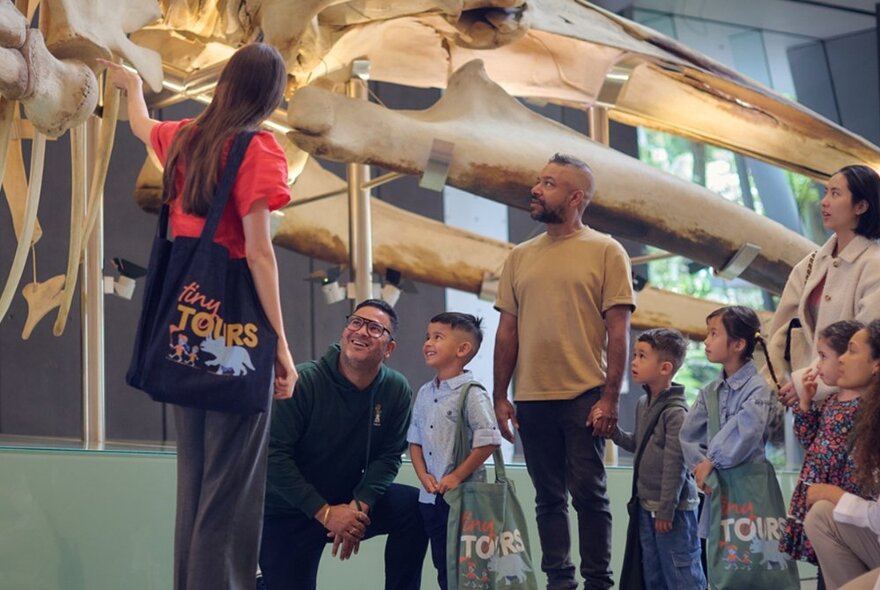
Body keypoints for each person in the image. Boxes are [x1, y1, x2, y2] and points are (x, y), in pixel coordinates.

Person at [101, 44, 298, 590]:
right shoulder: (260, 149)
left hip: (185, 328)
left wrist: (132, 87)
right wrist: (279, 343)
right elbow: (259, 252)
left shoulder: (186, 136)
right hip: (237, 329)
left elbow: (143, 127)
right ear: (271, 93)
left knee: (194, 484)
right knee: (230, 488)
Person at [493, 153, 635, 589]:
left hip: (584, 397)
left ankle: (598, 584)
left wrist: (610, 398)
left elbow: (619, 331)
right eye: (539, 180)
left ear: (575, 198)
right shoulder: (519, 257)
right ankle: (560, 582)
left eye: (549, 183)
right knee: (547, 499)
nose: (536, 189)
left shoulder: (607, 250)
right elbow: (506, 332)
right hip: (532, 399)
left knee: (589, 496)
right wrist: (501, 397)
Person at [259, 299, 428, 590]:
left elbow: (388, 457)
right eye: (356, 322)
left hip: (349, 501)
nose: (361, 331)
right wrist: (325, 513)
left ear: (389, 348)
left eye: (375, 328)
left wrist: (358, 507)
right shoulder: (303, 382)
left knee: (415, 507)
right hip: (288, 510)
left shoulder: (396, 389)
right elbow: (273, 457)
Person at [770, 165, 880, 405]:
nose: (824, 202)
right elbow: (781, 330)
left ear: (861, 206)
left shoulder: (874, 265)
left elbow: (868, 341)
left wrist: (806, 382)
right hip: (801, 399)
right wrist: (778, 380)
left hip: (852, 404)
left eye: (835, 194)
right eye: (825, 192)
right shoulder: (810, 264)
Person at [408, 312, 502, 590]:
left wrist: (457, 476)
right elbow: (414, 441)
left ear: (463, 349)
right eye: (428, 336)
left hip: (464, 502)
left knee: (469, 571)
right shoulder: (425, 392)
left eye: (438, 337)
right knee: (443, 568)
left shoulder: (472, 393)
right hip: (431, 500)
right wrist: (423, 475)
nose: (428, 343)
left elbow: (489, 440)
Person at [610, 328, 705, 589]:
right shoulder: (643, 403)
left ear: (665, 368)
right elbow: (638, 444)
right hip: (646, 507)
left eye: (642, 356)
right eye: (635, 354)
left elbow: (676, 465)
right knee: (653, 572)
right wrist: (614, 434)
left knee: (681, 572)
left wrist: (666, 509)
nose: (634, 361)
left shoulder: (676, 413)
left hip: (672, 511)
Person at [678, 306, 773, 538]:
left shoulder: (758, 389)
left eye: (714, 333)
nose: (706, 340)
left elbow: (745, 431)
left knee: (752, 559)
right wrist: (704, 471)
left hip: (749, 491)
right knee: (720, 561)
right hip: (716, 490)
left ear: (738, 344)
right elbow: (688, 436)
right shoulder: (709, 392)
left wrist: (712, 461)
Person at [780, 320, 866, 569]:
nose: (817, 365)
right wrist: (805, 404)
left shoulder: (865, 409)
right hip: (816, 489)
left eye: (822, 356)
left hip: (838, 496)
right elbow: (809, 441)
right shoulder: (829, 401)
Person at [803, 320, 880, 590]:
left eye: (852, 350)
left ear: (876, 365)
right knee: (822, 515)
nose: (842, 360)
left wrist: (834, 494)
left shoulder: (861, 412)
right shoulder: (836, 405)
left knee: (827, 507)